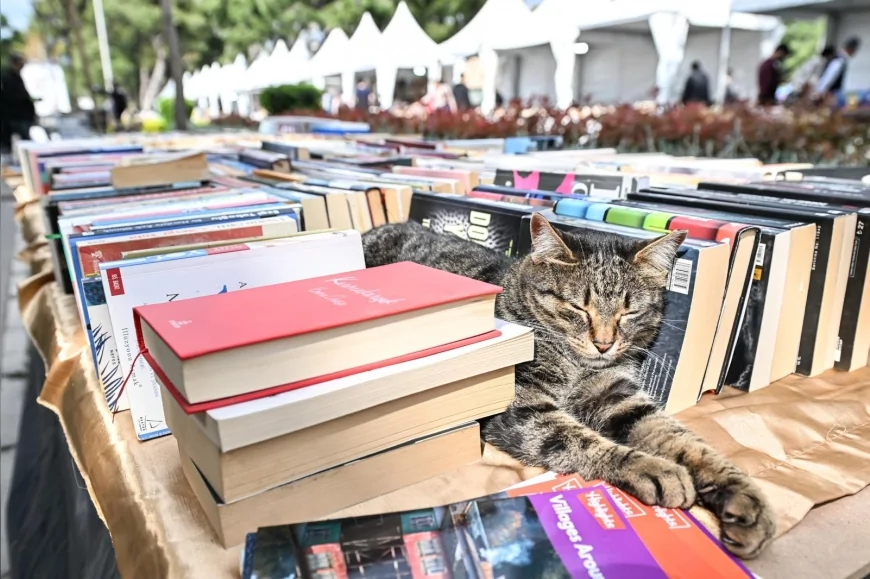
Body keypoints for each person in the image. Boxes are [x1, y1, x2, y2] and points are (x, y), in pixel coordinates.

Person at [0, 54, 36, 151]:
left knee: (26, 141)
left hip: (21, 115)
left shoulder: (16, 77)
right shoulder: (6, 78)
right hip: (12, 116)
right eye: (20, 64)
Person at [813, 37, 861, 103]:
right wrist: (820, 91)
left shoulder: (841, 58)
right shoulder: (839, 60)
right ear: (851, 49)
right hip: (829, 93)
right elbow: (829, 76)